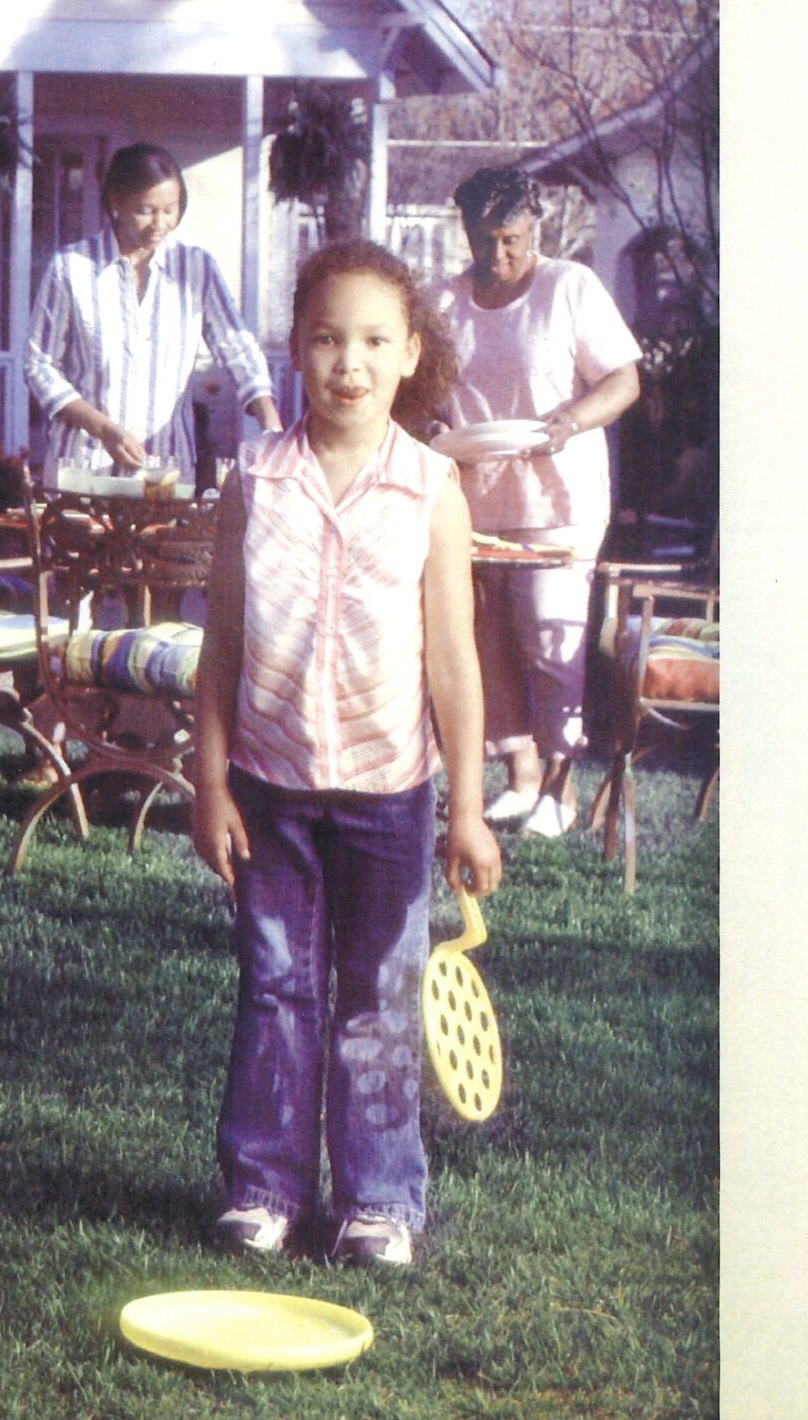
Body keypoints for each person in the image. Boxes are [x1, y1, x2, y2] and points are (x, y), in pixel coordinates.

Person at [191, 240, 502, 1268]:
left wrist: (466, 806)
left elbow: (453, 660)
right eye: (326, 339)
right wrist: (209, 782)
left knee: (375, 994)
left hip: (389, 793)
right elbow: (222, 648)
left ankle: (378, 1200)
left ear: (410, 352)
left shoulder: (429, 489)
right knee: (276, 987)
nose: (348, 363)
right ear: (294, 347)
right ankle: (265, 1188)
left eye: (373, 341)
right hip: (270, 789)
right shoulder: (254, 482)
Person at [436, 167, 643, 837]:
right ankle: (520, 778)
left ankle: (562, 784)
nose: (496, 256)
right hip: (475, 496)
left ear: (537, 229)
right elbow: (420, 394)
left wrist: (572, 422)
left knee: (551, 636)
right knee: (484, 640)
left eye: (511, 240)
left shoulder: (568, 288)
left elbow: (623, 379)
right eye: (482, 240)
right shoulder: (444, 302)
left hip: (559, 497)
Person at [25, 142, 281, 479]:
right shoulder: (70, 268)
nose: (159, 223)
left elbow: (238, 348)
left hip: (166, 470)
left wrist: (271, 424)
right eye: (145, 210)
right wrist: (104, 429)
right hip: (83, 467)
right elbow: (39, 366)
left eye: (170, 210)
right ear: (116, 201)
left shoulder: (196, 268)